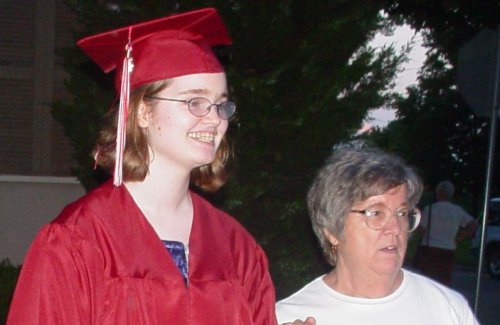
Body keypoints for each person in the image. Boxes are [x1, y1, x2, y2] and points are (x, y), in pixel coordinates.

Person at [7, 8, 278, 324]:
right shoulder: (79, 239)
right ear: (142, 113)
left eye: (221, 104)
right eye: (195, 101)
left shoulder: (238, 248)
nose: (215, 118)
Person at [276, 147, 478, 325]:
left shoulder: (448, 309)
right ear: (332, 230)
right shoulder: (289, 316)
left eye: (401, 213)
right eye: (375, 213)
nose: (395, 228)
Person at [417, 180, 478, 285]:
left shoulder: (430, 209)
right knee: (444, 283)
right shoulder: (457, 210)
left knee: (427, 282)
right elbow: (473, 223)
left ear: (437, 193)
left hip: (430, 249)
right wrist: (460, 237)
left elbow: (422, 228)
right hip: (448, 250)